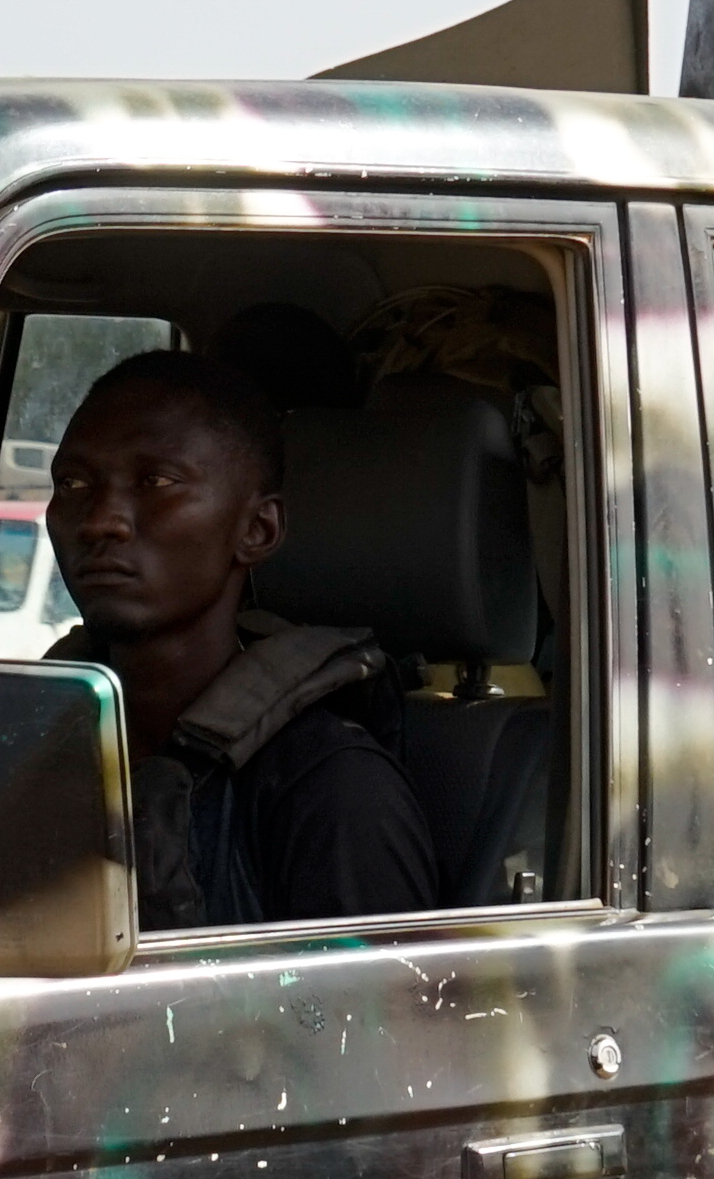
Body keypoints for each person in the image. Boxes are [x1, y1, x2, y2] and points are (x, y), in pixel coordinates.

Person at [36, 351, 438, 928]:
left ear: (257, 530)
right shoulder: (35, 746)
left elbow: (377, 1016)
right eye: (72, 482)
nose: (100, 520)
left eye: (156, 482)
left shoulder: (334, 790)